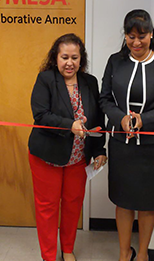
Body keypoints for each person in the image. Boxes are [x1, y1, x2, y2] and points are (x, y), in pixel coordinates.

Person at [100, 9, 154, 261]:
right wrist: (121, 118)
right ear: (125, 36)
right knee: (124, 201)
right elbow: (104, 99)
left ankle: (143, 253)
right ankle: (124, 253)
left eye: (142, 36)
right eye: (130, 36)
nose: (136, 42)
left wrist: (144, 119)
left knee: (148, 202)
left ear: (151, 34)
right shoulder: (115, 61)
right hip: (121, 143)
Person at [28, 33, 107, 261]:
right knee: (48, 208)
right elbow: (41, 115)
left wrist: (100, 150)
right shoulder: (45, 79)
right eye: (64, 57)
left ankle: (68, 249)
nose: (69, 62)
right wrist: (69, 125)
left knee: (73, 205)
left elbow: (97, 120)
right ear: (56, 58)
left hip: (78, 157)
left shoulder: (90, 82)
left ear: (81, 59)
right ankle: (50, 255)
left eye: (74, 57)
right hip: (47, 156)